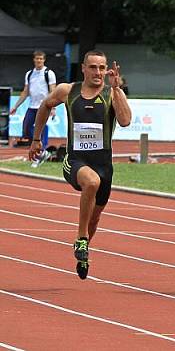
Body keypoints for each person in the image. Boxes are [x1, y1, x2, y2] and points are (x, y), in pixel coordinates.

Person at [28, 50, 132, 279]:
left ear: (107, 70)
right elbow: (45, 105)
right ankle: (82, 238)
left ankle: (83, 249)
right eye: (93, 67)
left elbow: (125, 121)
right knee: (91, 182)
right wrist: (36, 139)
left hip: (104, 164)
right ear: (83, 68)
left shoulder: (111, 93)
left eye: (102, 68)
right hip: (75, 160)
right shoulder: (68, 90)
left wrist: (117, 90)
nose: (98, 72)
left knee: (95, 217)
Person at [10, 50, 57, 157]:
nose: (39, 60)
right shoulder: (29, 74)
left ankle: (43, 150)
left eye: (41, 58)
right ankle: (36, 144)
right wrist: (16, 106)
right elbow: (25, 92)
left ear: (44, 60)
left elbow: (53, 91)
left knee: (43, 126)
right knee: (26, 126)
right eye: (37, 58)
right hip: (32, 106)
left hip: (45, 106)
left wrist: (53, 107)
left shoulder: (49, 73)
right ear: (34, 60)